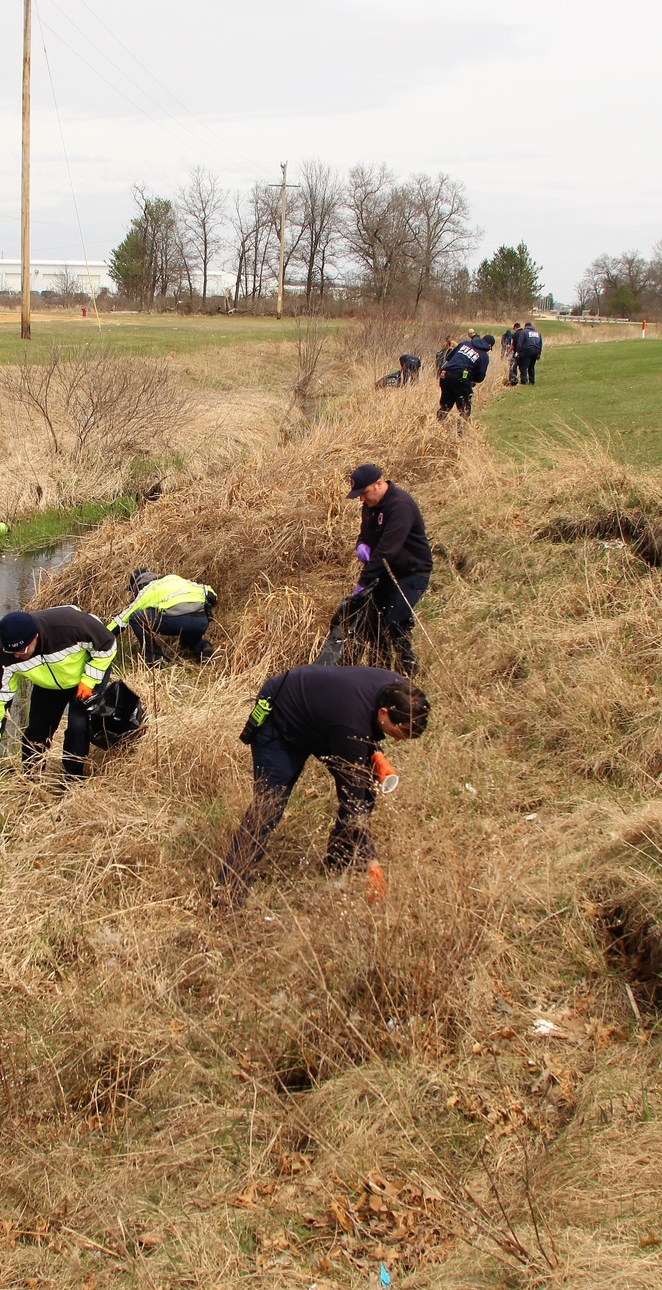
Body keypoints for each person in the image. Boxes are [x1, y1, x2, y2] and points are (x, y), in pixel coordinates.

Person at [218, 665, 430, 903]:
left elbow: (358, 724)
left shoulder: (399, 692)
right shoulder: (351, 725)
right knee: (269, 806)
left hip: (324, 719)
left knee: (367, 789)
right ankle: (228, 890)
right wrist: (373, 862)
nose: (400, 739)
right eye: (399, 731)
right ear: (383, 712)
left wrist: (375, 754)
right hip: (280, 717)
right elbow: (352, 800)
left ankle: (341, 860)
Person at [0, 606, 117, 778]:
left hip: (85, 675)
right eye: (12, 651)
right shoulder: (5, 656)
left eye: (22, 650)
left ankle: (71, 780)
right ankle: (31, 779)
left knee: (78, 727)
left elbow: (108, 644)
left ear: (35, 637)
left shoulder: (69, 627)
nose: (16, 656)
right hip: (48, 684)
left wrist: (89, 680)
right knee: (37, 731)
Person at [345, 463, 433, 675]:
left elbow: (386, 550)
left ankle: (407, 673)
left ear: (378, 484)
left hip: (411, 572)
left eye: (364, 493)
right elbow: (366, 534)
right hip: (385, 572)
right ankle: (380, 671)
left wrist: (362, 583)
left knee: (396, 621)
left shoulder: (400, 506)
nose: (362, 499)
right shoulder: (370, 506)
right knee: (375, 621)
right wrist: (361, 544)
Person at [110, 569, 217, 666]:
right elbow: (211, 593)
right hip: (200, 619)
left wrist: (101, 637)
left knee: (135, 617)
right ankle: (202, 647)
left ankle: (155, 658)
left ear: (138, 585)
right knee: (188, 628)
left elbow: (123, 618)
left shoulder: (148, 589)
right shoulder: (176, 579)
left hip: (176, 621)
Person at [437, 333, 495, 420]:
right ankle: (461, 431)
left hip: (445, 374)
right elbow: (480, 377)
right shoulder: (484, 356)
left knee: (445, 405)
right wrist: (471, 379)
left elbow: (449, 357)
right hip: (461, 379)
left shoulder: (465, 343)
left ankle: (437, 425)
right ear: (489, 345)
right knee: (464, 409)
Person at [514, 320, 543, 385]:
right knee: (531, 366)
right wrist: (539, 353)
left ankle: (524, 381)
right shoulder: (538, 333)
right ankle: (532, 381)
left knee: (523, 366)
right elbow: (540, 344)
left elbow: (520, 343)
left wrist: (518, 351)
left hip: (527, 350)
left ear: (526, 326)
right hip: (536, 350)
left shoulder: (524, 332)